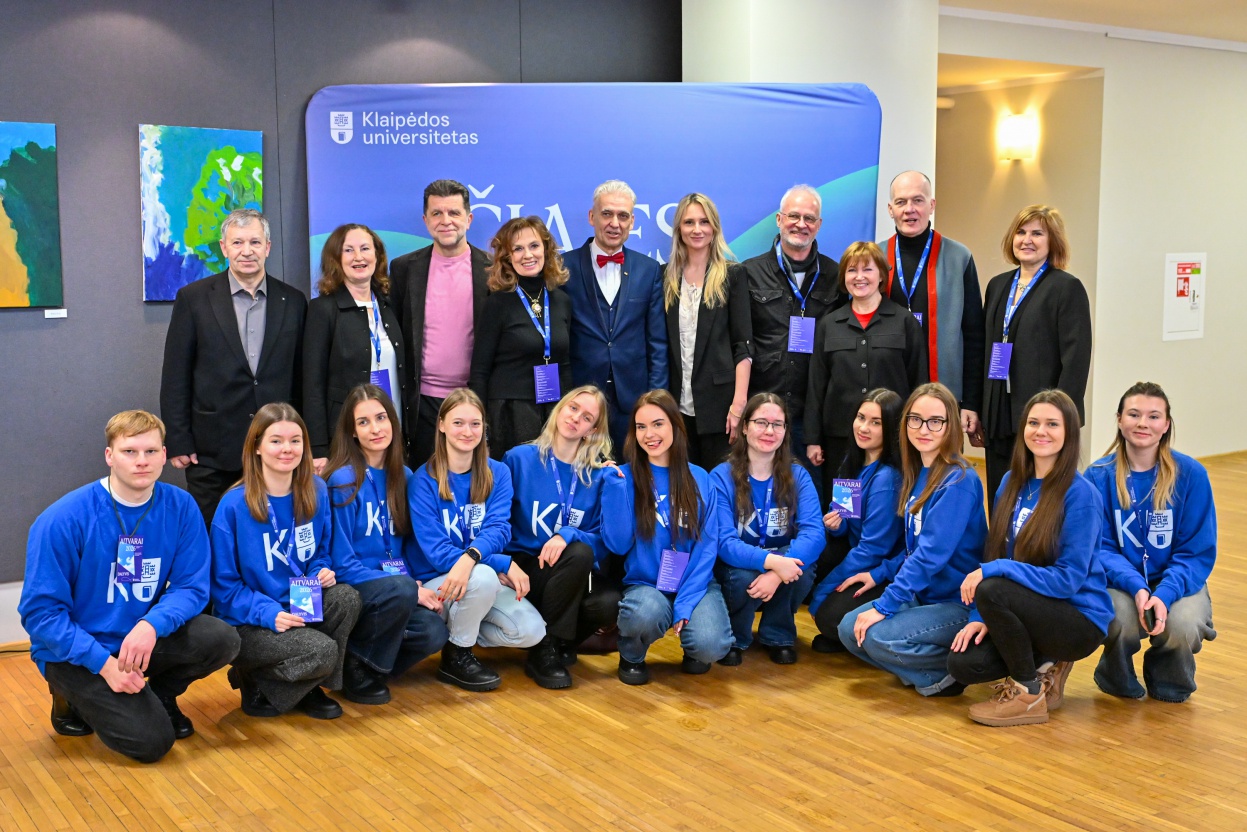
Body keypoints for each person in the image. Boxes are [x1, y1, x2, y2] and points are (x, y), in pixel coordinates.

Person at [19, 411, 240, 763]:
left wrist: (151, 625)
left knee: (221, 639)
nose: (142, 461)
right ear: (110, 456)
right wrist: (104, 666)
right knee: (152, 743)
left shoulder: (181, 506)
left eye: (151, 451)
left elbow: (192, 587)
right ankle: (68, 695)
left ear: (164, 455)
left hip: (137, 640)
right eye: (129, 451)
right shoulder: (62, 519)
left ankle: (160, 696)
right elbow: (41, 616)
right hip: (77, 649)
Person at [948, 390, 1113, 726]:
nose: (1041, 431)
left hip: (1077, 618)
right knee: (964, 664)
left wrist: (997, 573)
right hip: (1027, 608)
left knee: (993, 586)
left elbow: (1067, 580)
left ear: (1069, 433)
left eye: (1052, 424)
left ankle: (1028, 694)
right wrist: (981, 615)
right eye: (1034, 422)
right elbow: (995, 551)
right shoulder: (1011, 482)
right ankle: (1043, 662)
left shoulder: (1081, 495)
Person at [210, 404, 362, 720]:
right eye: (276, 441)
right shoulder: (233, 505)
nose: (287, 449)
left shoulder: (316, 490)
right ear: (256, 447)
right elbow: (224, 588)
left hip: (299, 601)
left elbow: (320, 553)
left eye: (295, 440)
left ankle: (307, 685)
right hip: (250, 620)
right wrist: (268, 613)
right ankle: (251, 675)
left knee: (347, 599)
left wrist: (320, 571)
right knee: (323, 651)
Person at [161, 209, 308, 529]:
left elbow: (302, 377)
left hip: (276, 448)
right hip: (212, 450)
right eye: (237, 242)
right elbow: (175, 376)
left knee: (269, 535)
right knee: (213, 536)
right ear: (224, 247)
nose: (247, 251)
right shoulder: (194, 299)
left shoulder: (294, 301)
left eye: (255, 242)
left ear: (268, 247)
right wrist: (179, 439)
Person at [839, 383, 986, 696]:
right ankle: (920, 668)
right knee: (848, 629)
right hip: (924, 595)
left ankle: (949, 673)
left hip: (956, 603)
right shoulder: (917, 471)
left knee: (878, 636)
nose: (923, 429)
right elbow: (913, 548)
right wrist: (879, 573)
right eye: (915, 419)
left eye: (935, 421)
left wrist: (885, 605)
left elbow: (929, 556)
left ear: (951, 426)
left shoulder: (959, 480)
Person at [1085, 382, 1217, 703]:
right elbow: (1099, 548)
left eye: (1154, 416)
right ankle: (1114, 674)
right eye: (1134, 414)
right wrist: (1136, 587)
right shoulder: (1097, 476)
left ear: (1166, 424)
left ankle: (1169, 679)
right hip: (1120, 581)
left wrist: (1165, 592)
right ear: (1119, 420)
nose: (1143, 423)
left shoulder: (1192, 475)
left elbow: (1194, 553)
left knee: (1184, 624)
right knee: (1117, 617)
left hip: (1177, 579)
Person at [405, 389, 546, 692]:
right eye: (458, 423)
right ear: (441, 425)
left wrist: (473, 559)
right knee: (483, 576)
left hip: (476, 578)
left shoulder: (498, 473)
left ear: (484, 427)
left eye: (475, 424)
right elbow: (437, 552)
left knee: (531, 631)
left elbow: (499, 529)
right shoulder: (422, 480)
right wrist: (499, 563)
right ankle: (457, 655)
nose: (467, 432)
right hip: (438, 580)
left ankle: (462, 626)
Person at [323, 385, 450, 704]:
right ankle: (356, 668)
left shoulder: (404, 476)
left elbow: (409, 546)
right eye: (363, 422)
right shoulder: (343, 479)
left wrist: (414, 583)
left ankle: (365, 666)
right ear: (352, 432)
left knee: (433, 631)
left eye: (381, 418)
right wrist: (405, 586)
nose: (375, 428)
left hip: (396, 588)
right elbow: (342, 563)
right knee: (402, 590)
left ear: (393, 422)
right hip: (357, 588)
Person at [601, 389, 732, 684]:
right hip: (646, 584)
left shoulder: (700, 478)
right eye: (641, 427)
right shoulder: (623, 477)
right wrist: (614, 491)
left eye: (658, 424)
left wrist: (685, 602)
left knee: (711, 644)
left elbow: (707, 547)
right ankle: (632, 654)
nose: (649, 434)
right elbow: (617, 545)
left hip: (695, 581)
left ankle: (694, 649)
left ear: (675, 425)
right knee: (644, 614)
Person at [502, 385, 622, 688]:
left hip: (572, 571)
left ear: (592, 430)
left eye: (587, 417)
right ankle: (546, 651)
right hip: (525, 568)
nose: (576, 418)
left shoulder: (598, 475)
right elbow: (498, 520)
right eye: (573, 408)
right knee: (578, 553)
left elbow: (604, 541)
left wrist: (567, 534)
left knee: (609, 602)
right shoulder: (518, 459)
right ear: (560, 409)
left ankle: (554, 643)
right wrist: (499, 564)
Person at [980, 205, 1092, 506]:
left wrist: (1060, 417)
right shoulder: (998, 285)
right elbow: (986, 349)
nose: (1026, 240)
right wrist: (981, 410)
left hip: (1042, 419)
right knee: (1001, 496)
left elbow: (1076, 360)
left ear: (1053, 241)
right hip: (999, 414)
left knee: (1038, 499)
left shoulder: (1066, 288)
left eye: (1037, 233)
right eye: (1021, 232)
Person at [805, 241, 926, 502]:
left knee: (887, 503)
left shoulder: (904, 322)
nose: (859, 277)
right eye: (852, 270)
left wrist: (917, 432)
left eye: (867, 270)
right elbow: (816, 385)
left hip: (893, 438)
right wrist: (813, 439)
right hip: (842, 440)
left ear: (881, 275)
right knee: (844, 509)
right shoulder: (829, 324)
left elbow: (919, 383)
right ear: (843, 278)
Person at [740, 185, 843, 487]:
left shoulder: (836, 276)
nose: (801, 224)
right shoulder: (748, 273)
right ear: (779, 219)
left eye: (809, 218)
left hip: (812, 415)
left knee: (811, 493)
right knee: (758, 491)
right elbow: (739, 343)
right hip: (762, 412)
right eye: (794, 216)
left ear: (819, 225)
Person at [710, 393, 822, 665]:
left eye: (777, 424)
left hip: (782, 558)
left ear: (785, 430)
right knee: (742, 575)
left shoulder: (798, 475)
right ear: (744, 427)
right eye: (761, 422)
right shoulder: (721, 476)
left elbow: (814, 534)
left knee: (802, 569)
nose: (769, 431)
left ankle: (778, 635)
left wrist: (777, 572)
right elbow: (725, 543)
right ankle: (736, 636)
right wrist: (774, 563)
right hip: (738, 564)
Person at [389, 180, 491, 466]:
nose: (446, 221)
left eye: (454, 213)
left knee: (473, 482)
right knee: (425, 480)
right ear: (425, 220)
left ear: (469, 219)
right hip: (422, 403)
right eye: (437, 213)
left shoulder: (494, 270)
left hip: (475, 400)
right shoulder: (404, 269)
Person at [562, 180, 668, 450]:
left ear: (632, 221)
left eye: (623, 216)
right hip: (579, 402)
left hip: (633, 400)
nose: (614, 223)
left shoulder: (649, 269)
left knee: (633, 472)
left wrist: (655, 399)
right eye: (607, 214)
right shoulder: (563, 268)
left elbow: (657, 342)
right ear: (592, 217)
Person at [882, 171, 985, 436]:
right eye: (901, 202)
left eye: (918, 200)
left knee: (943, 463)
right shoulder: (875, 258)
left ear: (932, 205)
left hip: (945, 398)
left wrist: (971, 402)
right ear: (891, 209)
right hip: (888, 397)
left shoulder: (959, 257)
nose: (910, 209)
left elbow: (974, 335)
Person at [808, 389, 906, 652]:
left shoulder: (886, 479)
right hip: (857, 552)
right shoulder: (853, 460)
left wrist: (823, 592)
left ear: (891, 429)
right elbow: (845, 523)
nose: (863, 428)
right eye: (861, 418)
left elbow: (872, 550)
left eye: (876, 423)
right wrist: (837, 525)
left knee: (828, 617)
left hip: (882, 568)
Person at [304, 224, 404, 475]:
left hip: (390, 431)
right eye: (348, 250)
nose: (358, 257)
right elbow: (312, 383)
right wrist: (318, 448)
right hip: (344, 438)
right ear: (336, 259)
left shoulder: (389, 305)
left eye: (365, 249)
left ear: (377, 255)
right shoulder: (323, 309)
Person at [471, 216, 573, 459]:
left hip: (554, 411)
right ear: (507, 257)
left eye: (534, 246)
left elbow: (565, 364)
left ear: (546, 249)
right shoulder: (497, 302)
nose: (528, 255)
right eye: (518, 249)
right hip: (509, 414)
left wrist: (570, 410)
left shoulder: (561, 300)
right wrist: (480, 426)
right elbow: (480, 371)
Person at [662, 193, 752, 469]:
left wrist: (739, 405)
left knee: (720, 485)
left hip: (721, 410)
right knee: (683, 486)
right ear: (679, 229)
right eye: (689, 222)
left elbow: (743, 345)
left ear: (714, 227)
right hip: (676, 410)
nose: (697, 229)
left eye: (704, 222)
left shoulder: (733, 275)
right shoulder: (665, 277)